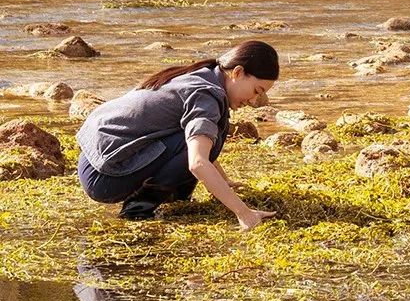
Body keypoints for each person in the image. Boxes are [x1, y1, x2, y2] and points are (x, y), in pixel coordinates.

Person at [76, 40, 279, 229]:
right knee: (203, 138)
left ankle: (175, 200)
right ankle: (138, 208)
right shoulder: (206, 95)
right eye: (256, 90)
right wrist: (244, 213)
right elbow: (198, 162)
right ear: (237, 72)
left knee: (203, 136)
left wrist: (223, 182)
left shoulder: (205, 73)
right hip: (104, 176)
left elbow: (199, 143)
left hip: (94, 157)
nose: (254, 100)